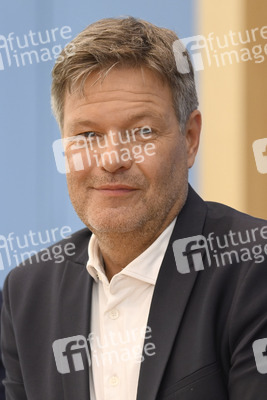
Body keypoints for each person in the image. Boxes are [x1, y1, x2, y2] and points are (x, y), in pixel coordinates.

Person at [1, 16, 267, 400]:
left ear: (190, 139)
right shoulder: (26, 294)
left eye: (142, 132)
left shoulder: (253, 266)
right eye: (88, 134)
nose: (111, 159)